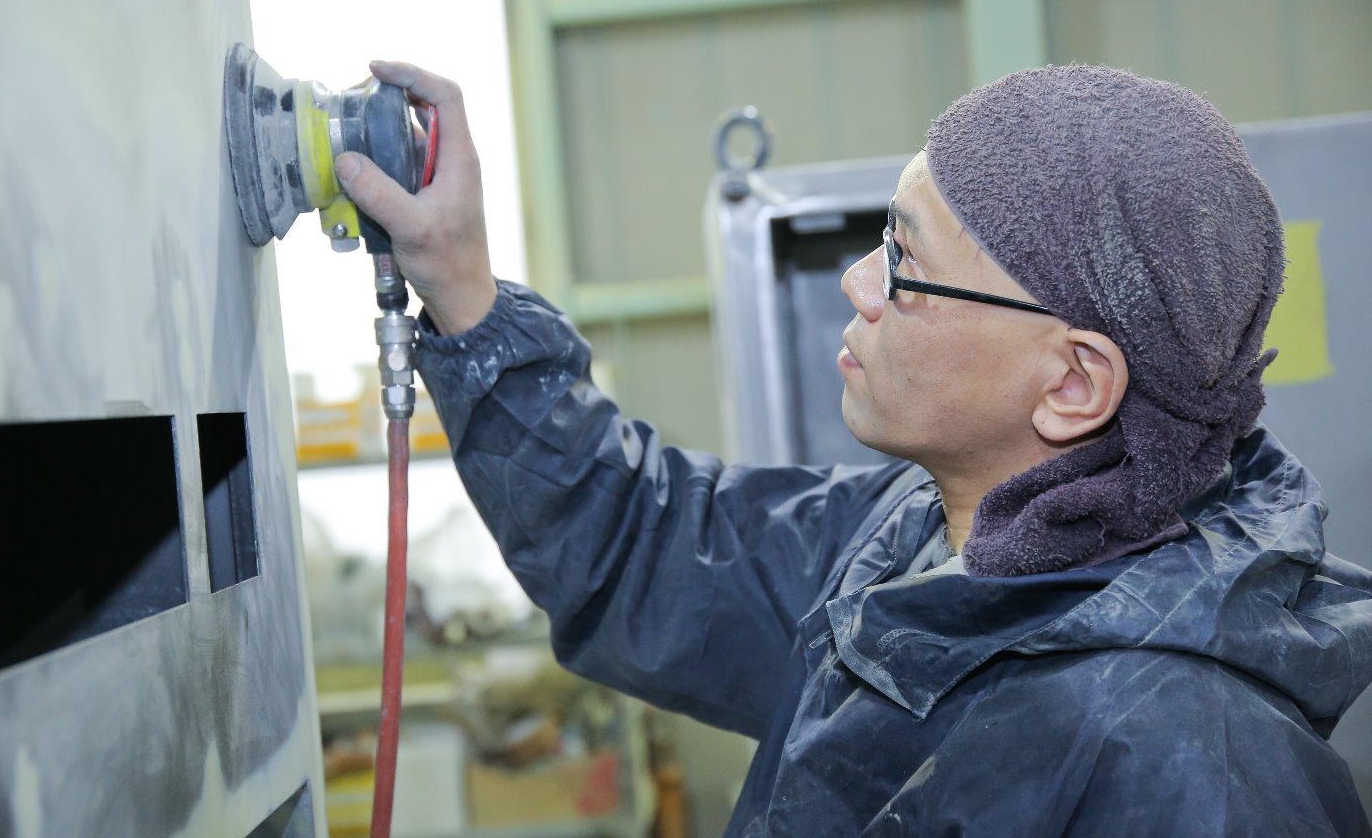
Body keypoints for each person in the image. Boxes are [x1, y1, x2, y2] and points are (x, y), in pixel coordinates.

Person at [334, 61, 1372, 836]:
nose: (858, 286)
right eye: (882, 241)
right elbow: (648, 546)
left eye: (907, 267)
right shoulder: (908, 544)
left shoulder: (1197, 765)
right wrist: (463, 284)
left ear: (1071, 384)